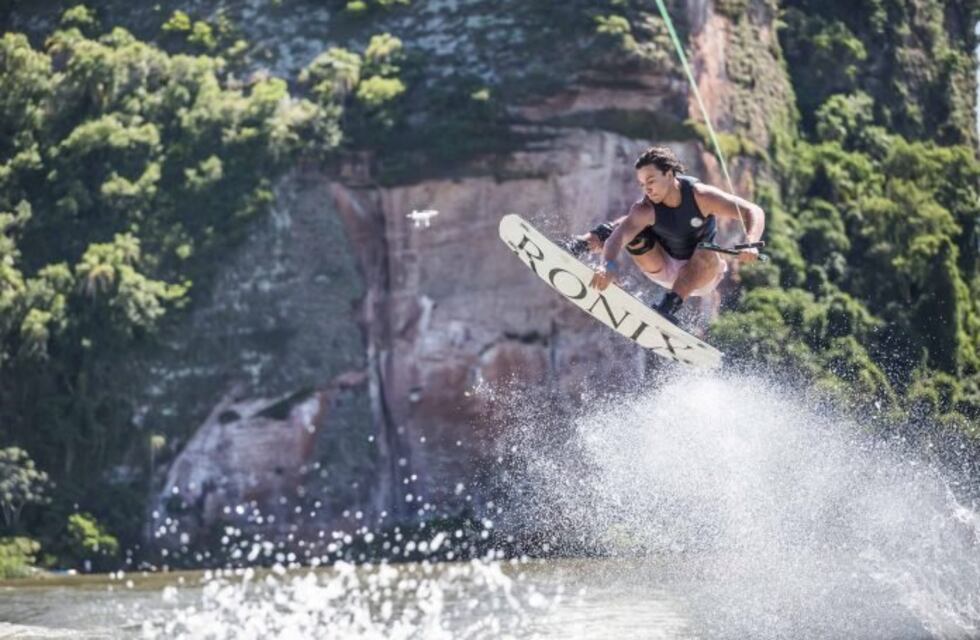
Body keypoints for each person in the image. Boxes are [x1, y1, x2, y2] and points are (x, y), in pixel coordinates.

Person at [567, 146, 765, 324]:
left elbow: (753, 210)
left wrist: (751, 243)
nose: (647, 189)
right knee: (628, 225)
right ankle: (580, 245)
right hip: (660, 266)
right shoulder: (646, 208)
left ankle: (667, 307)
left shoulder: (700, 196)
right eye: (642, 184)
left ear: (669, 174)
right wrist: (607, 265)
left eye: (651, 181)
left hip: (701, 274)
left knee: (705, 249)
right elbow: (617, 238)